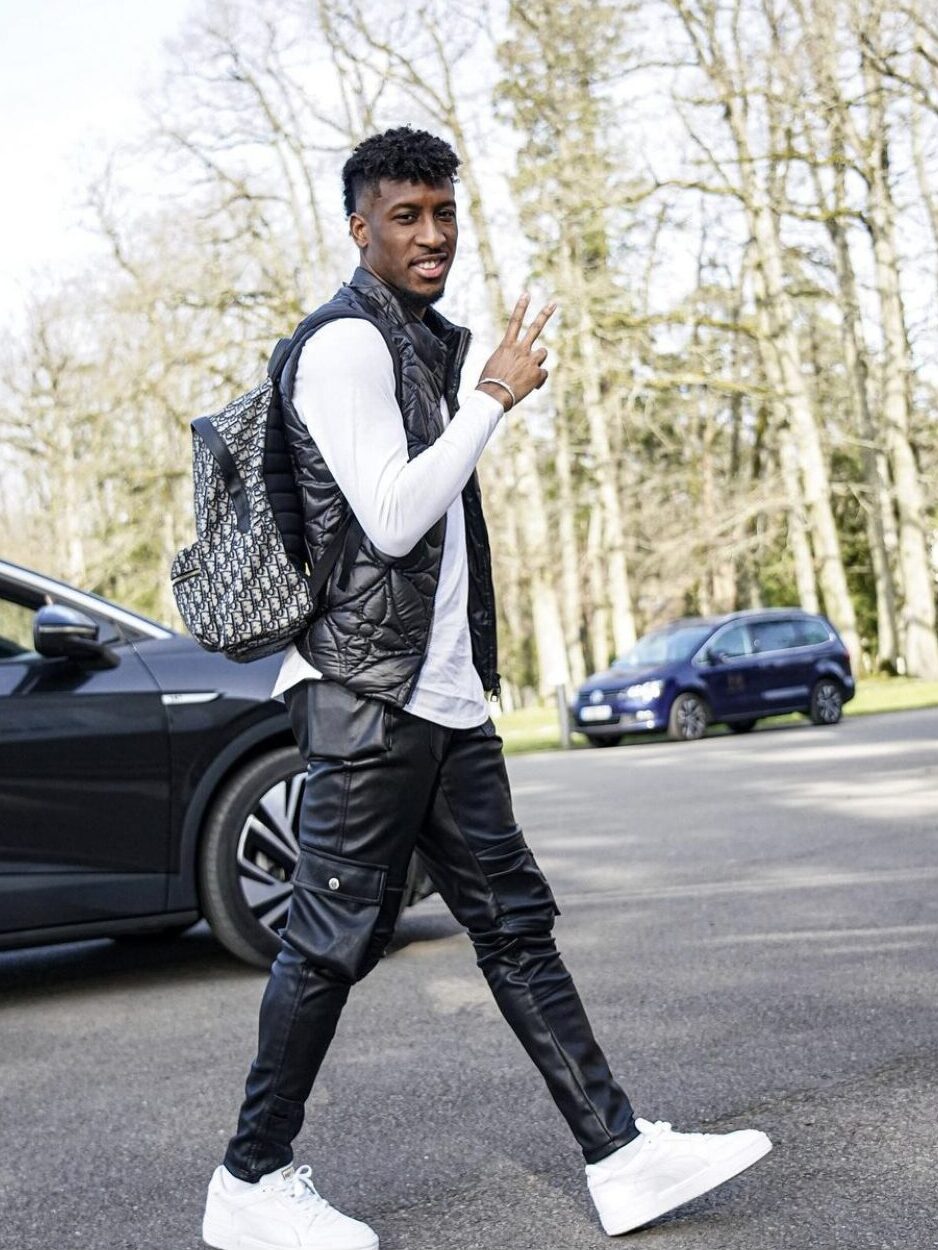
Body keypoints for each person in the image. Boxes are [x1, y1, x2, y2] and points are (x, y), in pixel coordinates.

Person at [202, 126, 771, 1250]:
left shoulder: (417, 343)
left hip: (439, 696)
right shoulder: (344, 346)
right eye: (405, 216)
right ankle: (249, 1179)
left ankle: (619, 1155)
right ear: (358, 227)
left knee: (514, 925)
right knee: (327, 942)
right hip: (367, 695)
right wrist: (491, 400)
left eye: (443, 214)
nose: (431, 235)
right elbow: (392, 515)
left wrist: (473, 395)